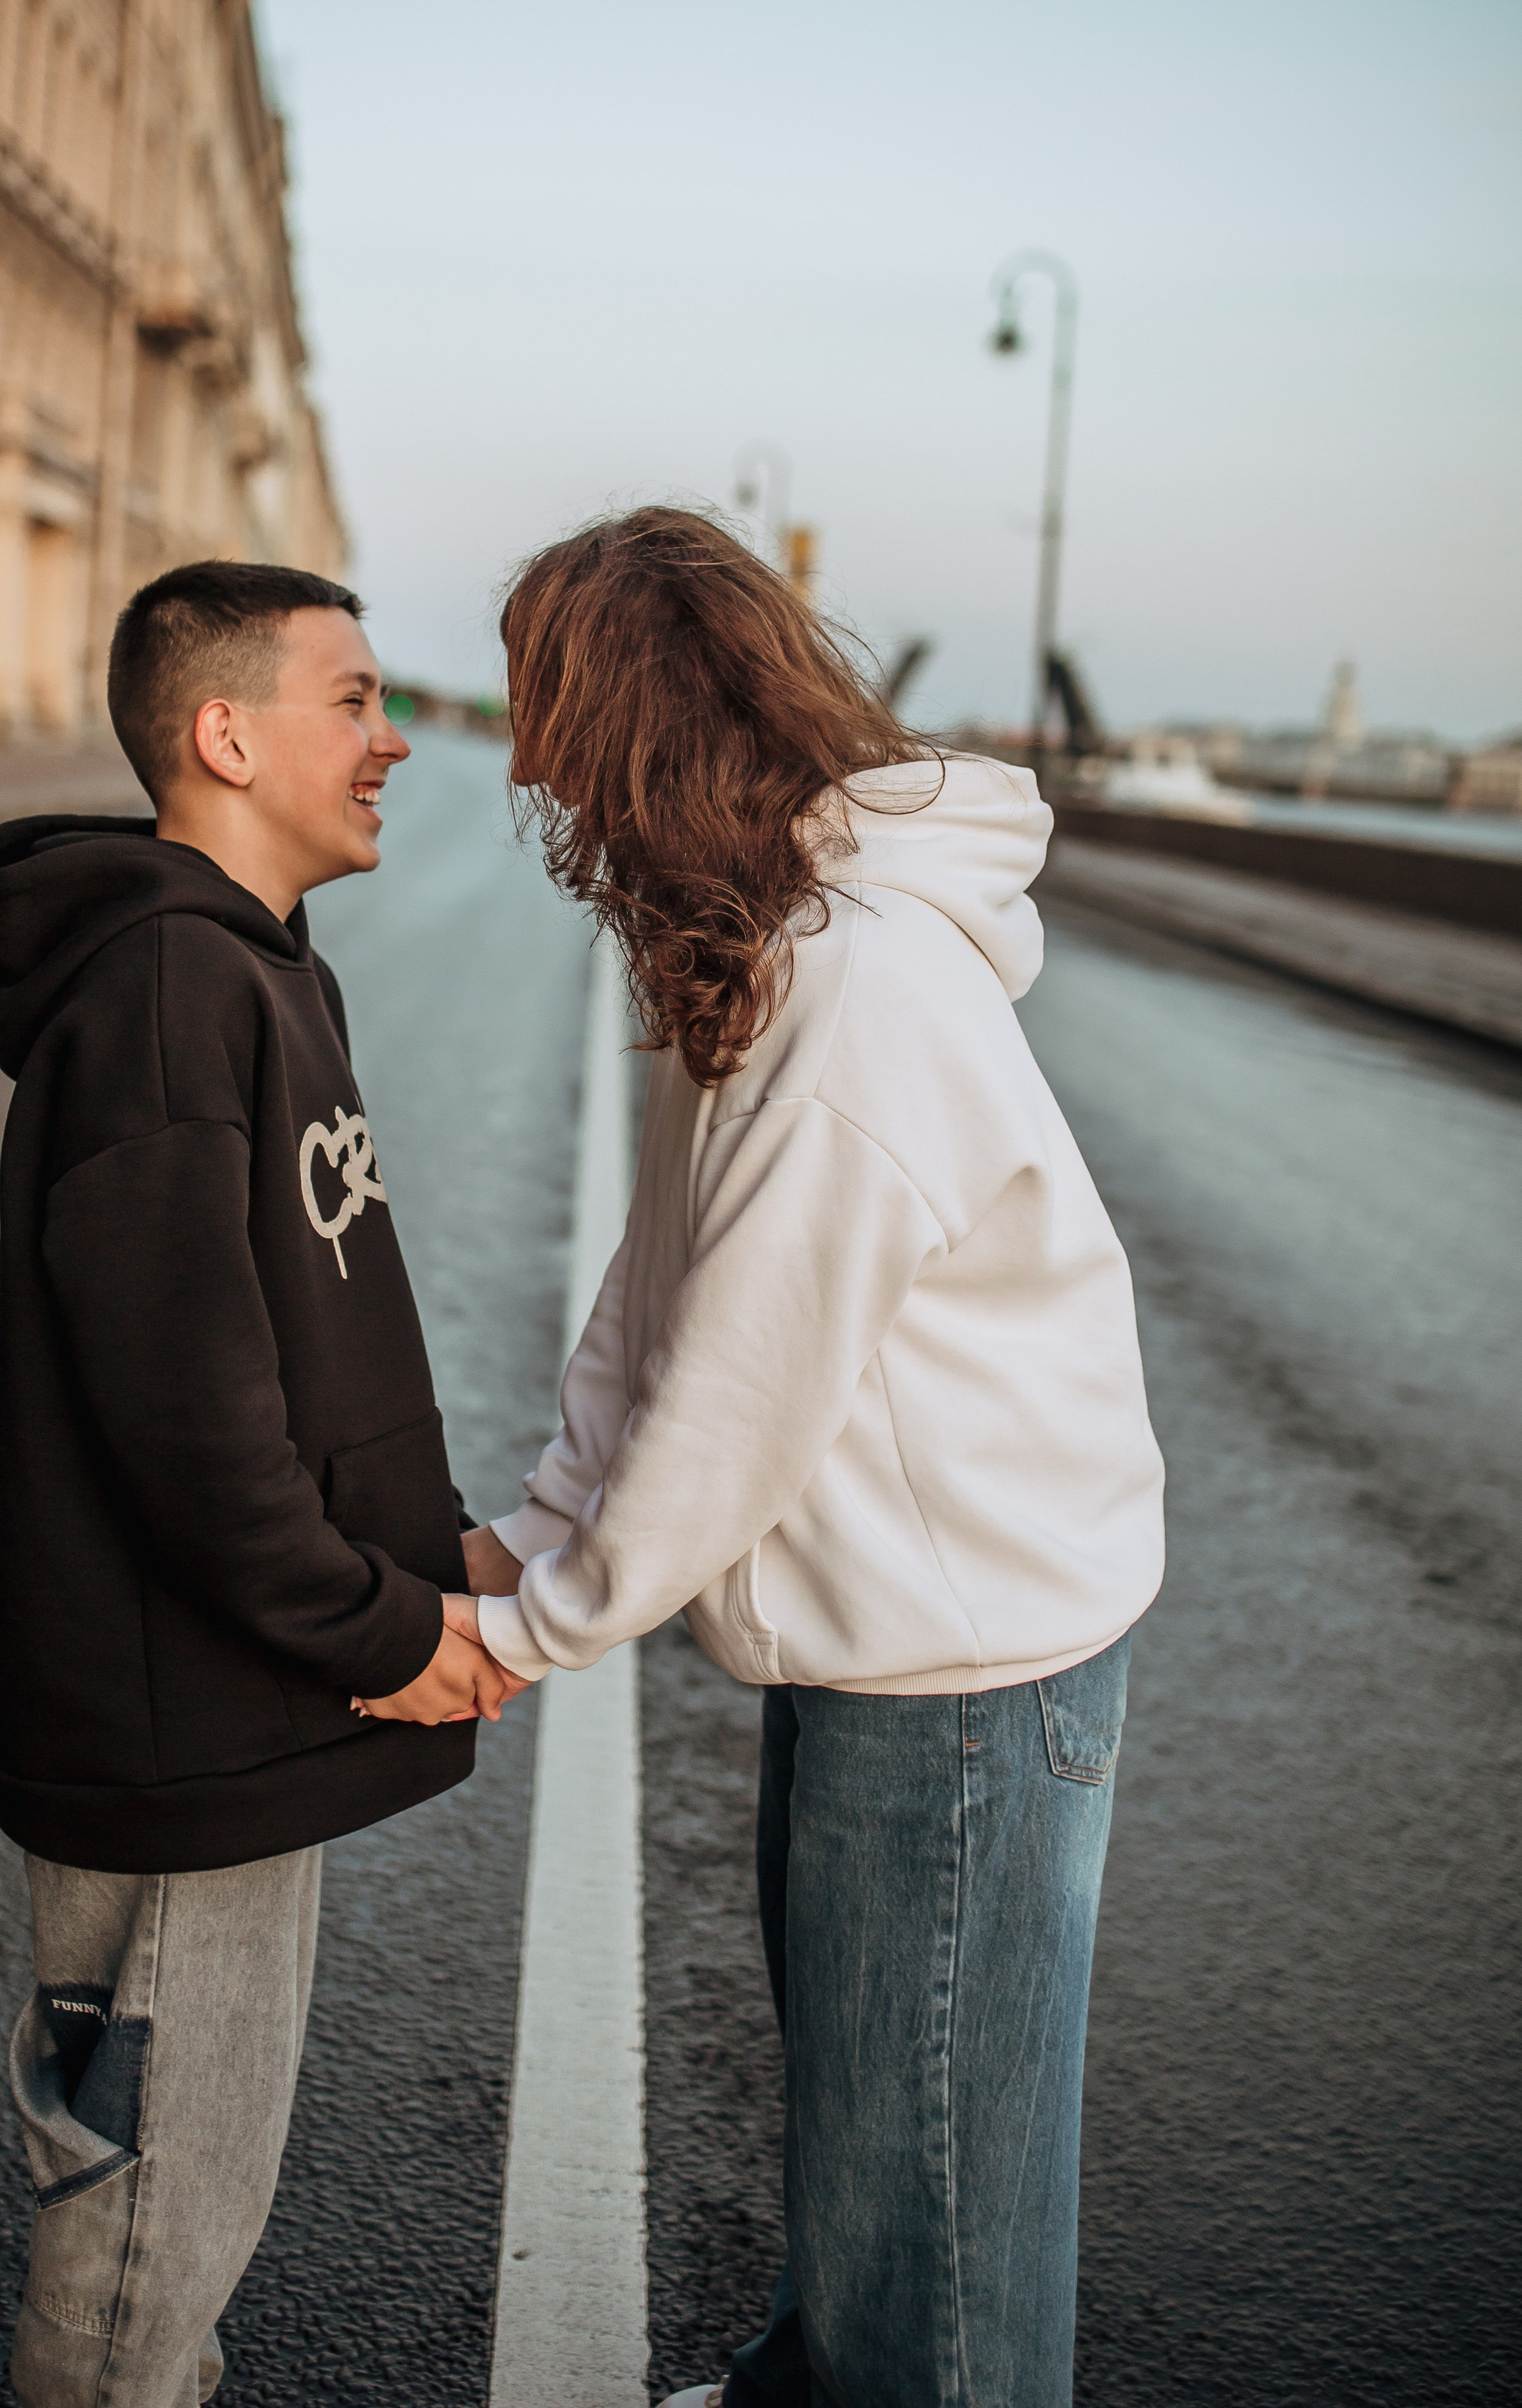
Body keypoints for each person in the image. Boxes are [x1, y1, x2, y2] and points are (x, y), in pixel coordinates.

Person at [461, 508, 1166, 2408]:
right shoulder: (766, 943)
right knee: (879, 2136)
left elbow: (749, 1381)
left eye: (540, 694)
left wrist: (540, 1626)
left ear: (625, 717)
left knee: (939, 2201)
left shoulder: (849, 995)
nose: (517, 749)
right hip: (905, 1647)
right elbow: (662, 1279)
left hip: (962, 1676)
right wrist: (532, 1529)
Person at [0, 560, 524, 2408]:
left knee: (172, 2204)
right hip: (183, 1714)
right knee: (142, 2232)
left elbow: (297, 1337)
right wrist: (376, 1624)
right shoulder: (170, 992)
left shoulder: (252, 967)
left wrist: (436, 1557)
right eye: (352, 699)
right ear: (222, 733)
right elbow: (189, 1411)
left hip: (223, 1689)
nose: (393, 736)